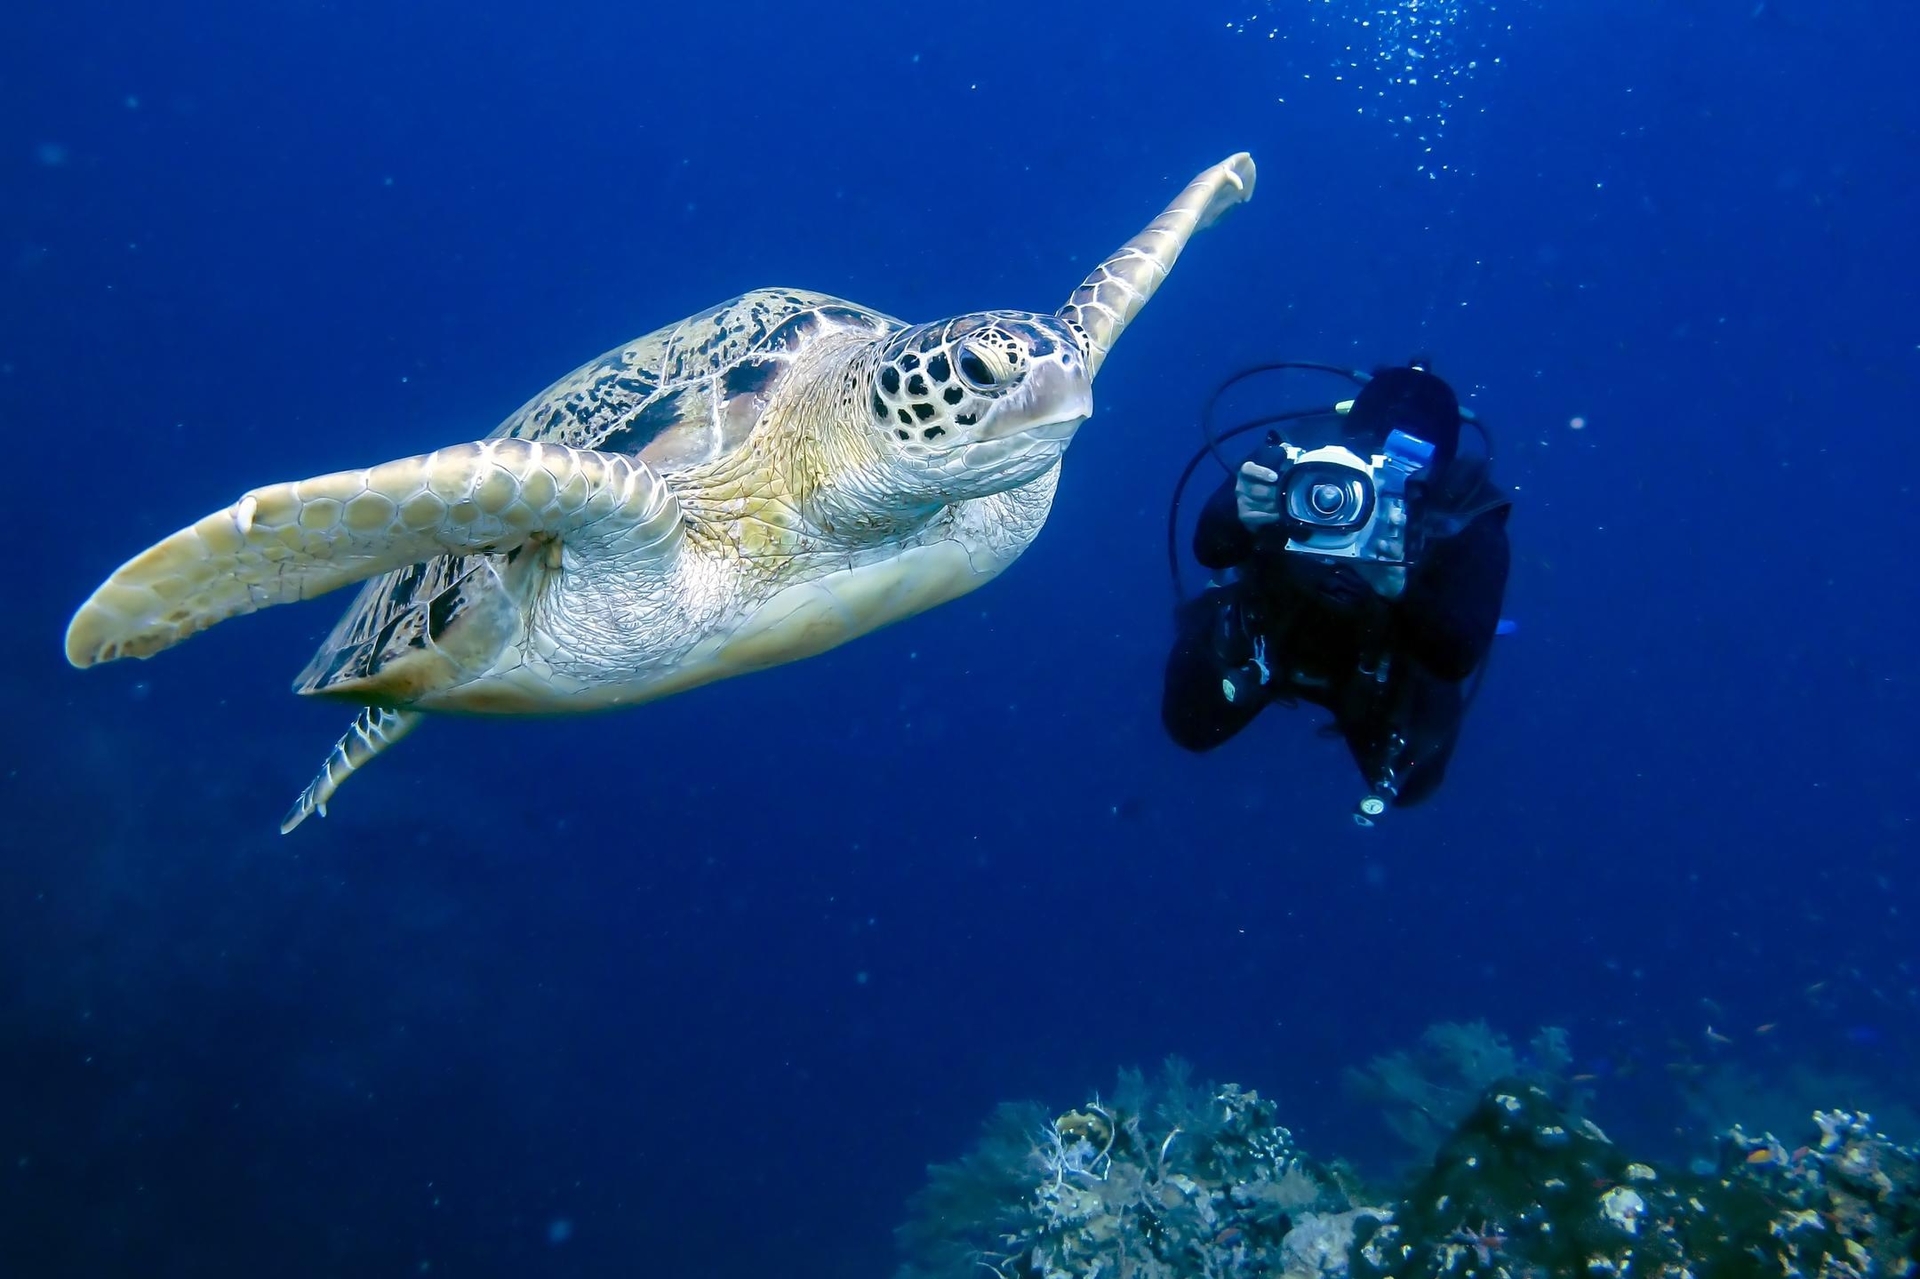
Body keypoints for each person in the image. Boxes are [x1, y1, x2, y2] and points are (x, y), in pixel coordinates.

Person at [1160, 358, 1513, 825]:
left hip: (1382, 666)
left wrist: (1395, 587)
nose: (1383, 481)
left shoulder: (1466, 518)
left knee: (1413, 785)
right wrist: (1241, 516)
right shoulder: (1292, 457)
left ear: (1440, 473)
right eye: (1370, 457)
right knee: (1188, 726)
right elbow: (1212, 549)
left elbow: (1458, 656)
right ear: (1343, 437)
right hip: (1270, 632)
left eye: (1409, 474)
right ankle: (1227, 629)